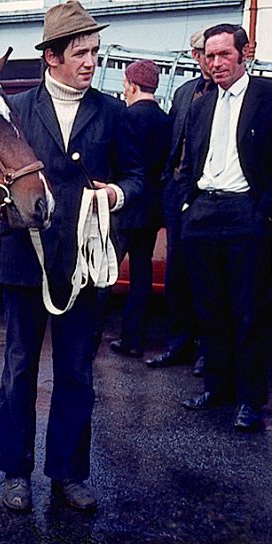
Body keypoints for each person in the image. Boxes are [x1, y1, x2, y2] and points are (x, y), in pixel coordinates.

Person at [0, 0, 143, 513]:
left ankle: (69, 475)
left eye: (95, 52)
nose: (90, 61)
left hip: (84, 266)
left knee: (76, 371)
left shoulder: (113, 112)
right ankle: (16, 472)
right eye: (80, 52)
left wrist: (116, 195)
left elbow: (140, 179)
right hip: (24, 260)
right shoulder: (17, 109)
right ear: (51, 56)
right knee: (19, 367)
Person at [178, 24, 272, 433]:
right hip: (203, 215)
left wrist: (264, 211)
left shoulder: (267, 97)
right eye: (209, 56)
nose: (214, 63)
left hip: (246, 215)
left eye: (223, 55)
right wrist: (187, 204)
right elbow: (187, 159)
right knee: (210, 311)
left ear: (244, 53)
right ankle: (217, 388)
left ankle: (251, 400)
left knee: (249, 312)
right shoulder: (199, 104)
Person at [145, 29, 214, 374]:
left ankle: (209, 349)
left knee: (207, 274)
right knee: (177, 273)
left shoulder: (229, 93)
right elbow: (173, 140)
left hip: (207, 194)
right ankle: (179, 342)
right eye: (198, 53)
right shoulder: (186, 91)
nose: (203, 59)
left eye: (207, 52)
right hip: (176, 189)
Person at [105, 59, 172, 358]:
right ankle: (134, 340)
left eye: (124, 84)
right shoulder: (166, 120)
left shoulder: (124, 117)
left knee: (104, 272)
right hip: (152, 208)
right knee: (141, 276)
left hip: (124, 204)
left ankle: (88, 334)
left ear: (132, 85)